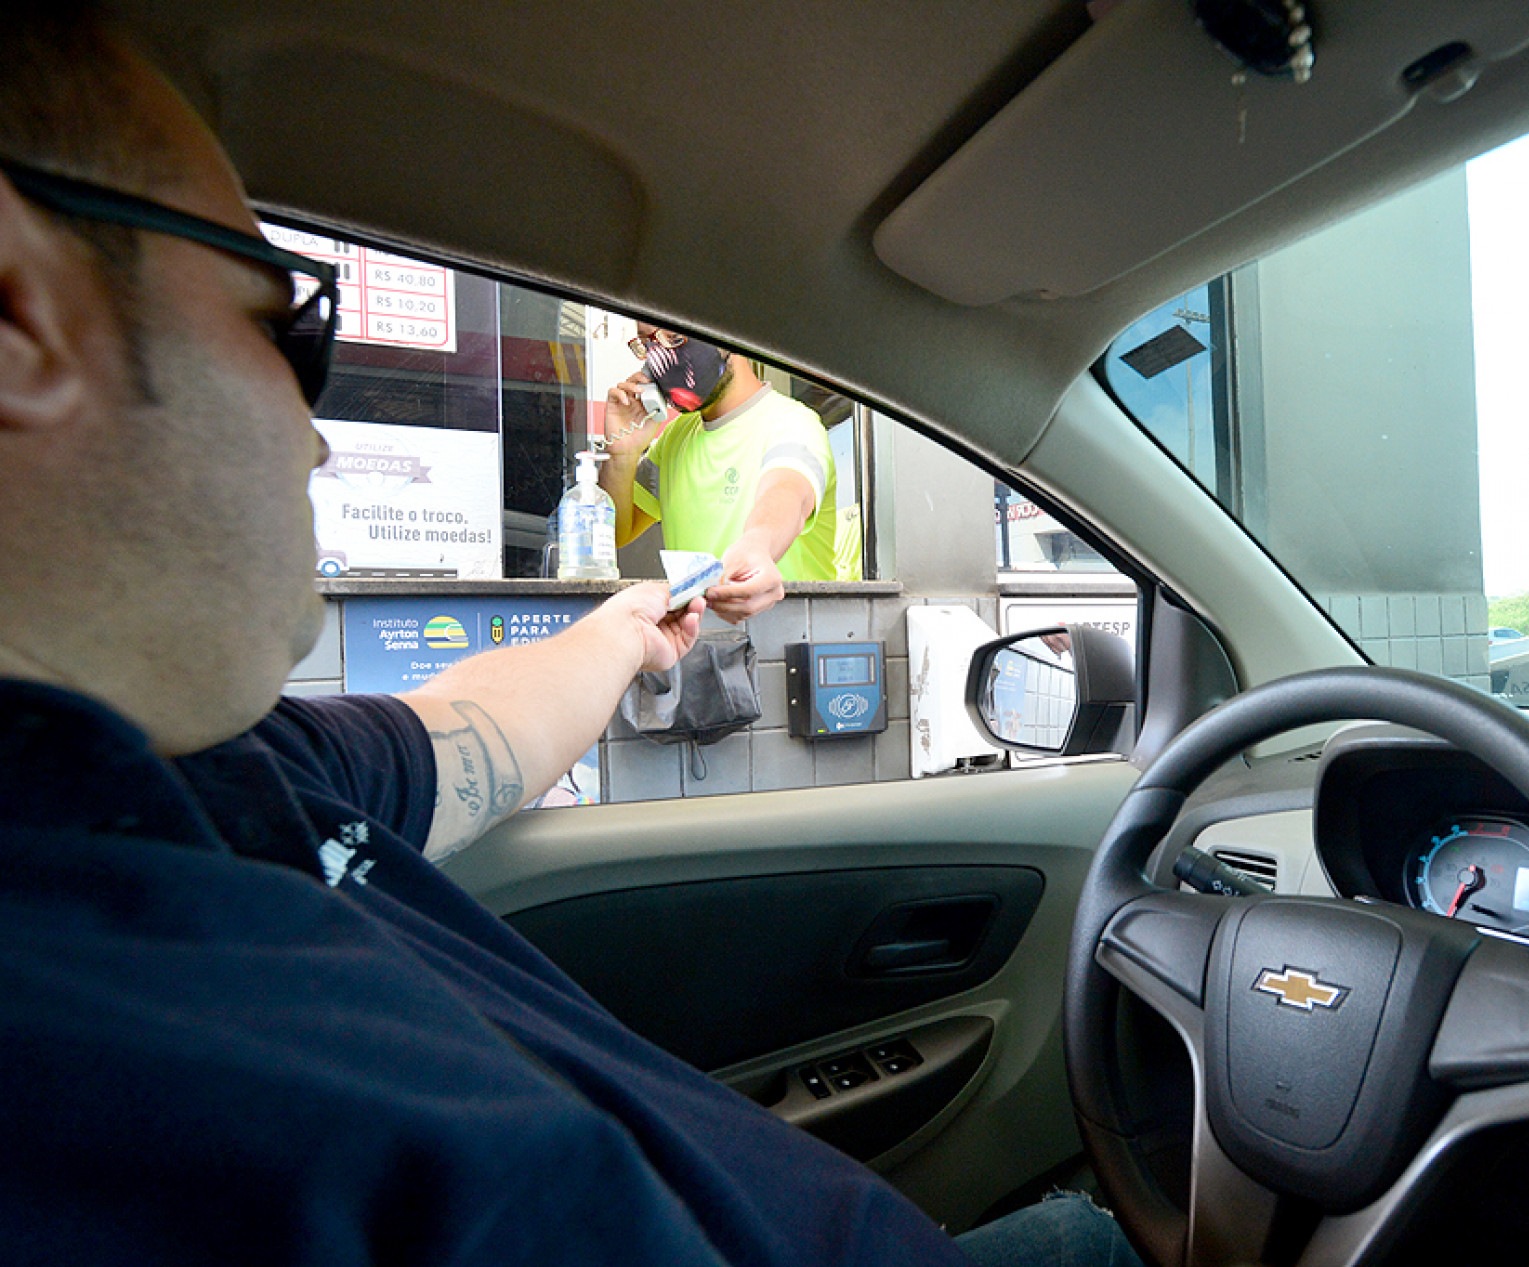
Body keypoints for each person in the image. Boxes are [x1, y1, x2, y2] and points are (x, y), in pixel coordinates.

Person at [0, 10, 1139, 1266]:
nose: (316, 435)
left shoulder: (220, 765)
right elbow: (630, 523)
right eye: (282, 331)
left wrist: (624, 628)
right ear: (20, 316)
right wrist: (631, 465)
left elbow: (463, 728)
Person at [599, 324, 852, 623]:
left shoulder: (793, 424)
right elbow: (612, 534)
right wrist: (622, 455)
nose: (659, 358)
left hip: (782, 643)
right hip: (701, 647)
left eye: (673, 338)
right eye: (647, 344)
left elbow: (787, 494)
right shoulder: (675, 438)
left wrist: (757, 546)